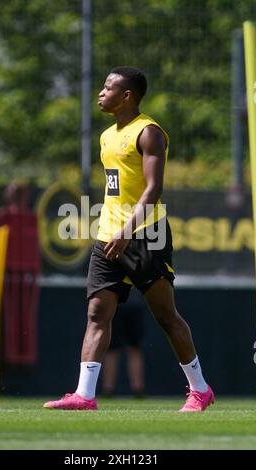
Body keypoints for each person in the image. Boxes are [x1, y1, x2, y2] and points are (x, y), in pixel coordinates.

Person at [43, 66, 215, 412]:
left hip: (145, 236)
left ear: (127, 96)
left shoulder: (149, 132)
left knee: (166, 316)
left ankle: (200, 390)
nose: (100, 93)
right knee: (97, 312)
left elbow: (154, 189)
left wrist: (127, 231)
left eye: (108, 88)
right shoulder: (107, 136)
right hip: (108, 235)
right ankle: (85, 395)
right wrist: (112, 230)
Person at [101, 305, 145, 399]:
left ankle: (138, 390)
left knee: (134, 348)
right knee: (112, 349)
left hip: (134, 306)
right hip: (114, 306)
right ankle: (107, 390)